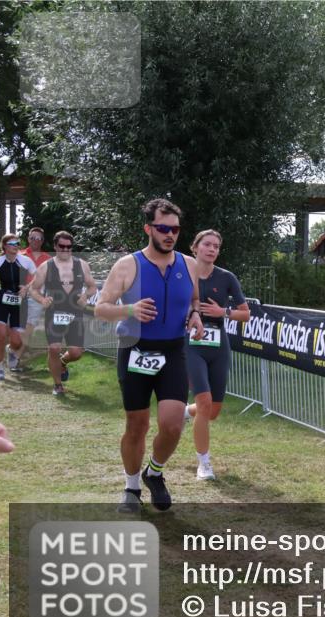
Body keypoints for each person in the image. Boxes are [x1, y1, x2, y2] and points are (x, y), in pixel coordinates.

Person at [94, 199, 204, 513]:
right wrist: (129, 309)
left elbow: (194, 299)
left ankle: (154, 472)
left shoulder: (189, 264)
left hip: (173, 351)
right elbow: (101, 309)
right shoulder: (128, 265)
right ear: (148, 228)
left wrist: (195, 315)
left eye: (176, 229)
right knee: (137, 425)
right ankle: (131, 488)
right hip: (135, 349)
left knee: (172, 425)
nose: (170, 234)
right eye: (163, 228)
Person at [183, 229, 250, 480]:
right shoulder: (183, 274)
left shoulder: (226, 277)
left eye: (216, 246)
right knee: (204, 403)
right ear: (195, 247)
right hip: (191, 345)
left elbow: (245, 314)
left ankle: (183, 414)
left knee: (213, 411)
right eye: (207, 245)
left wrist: (223, 312)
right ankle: (204, 464)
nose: (212, 249)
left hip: (218, 346)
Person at [28, 231, 98, 395]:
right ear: (55, 246)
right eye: (62, 246)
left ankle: (63, 361)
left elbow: (92, 286)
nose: (65, 250)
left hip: (75, 312)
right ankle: (57, 385)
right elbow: (33, 289)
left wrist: (85, 295)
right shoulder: (46, 266)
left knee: (76, 353)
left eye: (69, 247)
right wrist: (42, 300)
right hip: (54, 312)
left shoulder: (82, 264)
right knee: (53, 348)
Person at [0, 234, 37, 380]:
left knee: (17, 342)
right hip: (2, 301)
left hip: (19, 302)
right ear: (4, 246)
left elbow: (38, 277)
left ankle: (11, 351)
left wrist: (27, 288)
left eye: (17, 243)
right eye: (12, 243)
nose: (15, 245)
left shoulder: (26, 261)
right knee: (0, 336)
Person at [15, 227, 52, 368]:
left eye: (39, 238)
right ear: (28, 238)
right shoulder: (19, 255)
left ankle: (15, 359)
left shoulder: (48, 259)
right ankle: (13, 350)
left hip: (36, 297)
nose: (35, 241)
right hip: (18, 296)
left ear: (42, 241)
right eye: (33, 238)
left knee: (29, 329)